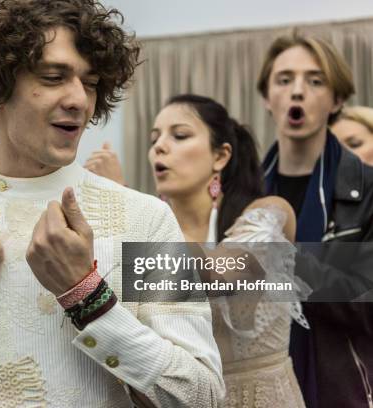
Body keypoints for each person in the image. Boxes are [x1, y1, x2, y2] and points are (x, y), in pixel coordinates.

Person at [0, 1, 224, 407]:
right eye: (53, 77)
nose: (79, 100)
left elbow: (202, 395)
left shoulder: (146, 219)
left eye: (91, 82)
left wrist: (87, 295)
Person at [87, 94, 308, 407]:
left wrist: (125, 201)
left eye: (179, 135)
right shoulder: (150, 232)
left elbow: (218, 275)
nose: (159, 147)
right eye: (154, 139)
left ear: (220, 156)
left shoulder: (269, 213)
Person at [257, 32, 373, 408]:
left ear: (337, 99)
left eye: (315, 80)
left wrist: (282, 259)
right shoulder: (242, 196)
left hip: (343, 392)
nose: (297, 91)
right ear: (266, 97)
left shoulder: (368, 190)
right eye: (284, 79)